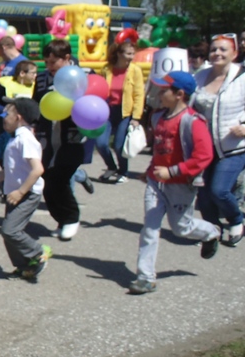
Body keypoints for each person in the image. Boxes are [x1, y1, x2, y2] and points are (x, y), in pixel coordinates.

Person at [129, 72, 221, 295]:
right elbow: (161, 150)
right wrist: (150, 170)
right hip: (156, 183)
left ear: (179, 94)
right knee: (149, 228)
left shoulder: (193, 121)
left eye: (164, 90)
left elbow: (203, 156)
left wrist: (172, 172)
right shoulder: (158, 117)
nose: (159, 94)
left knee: (181, 228)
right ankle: (145, 277)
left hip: (180, 184)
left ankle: (212, 232)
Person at [0, 97, 51, 282]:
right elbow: (11, 170)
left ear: (19, 117)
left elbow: (38, 170)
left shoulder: (26, 139)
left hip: (27, 193)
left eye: (7, 114)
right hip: (14, 192)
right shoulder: (14, 139)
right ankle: (24, 267)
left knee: (10, 231)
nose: (3, 117)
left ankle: (39, 252)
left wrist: (21, 192)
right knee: (8, 234)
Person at [192, 33, 245, 245]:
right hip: (205, 146)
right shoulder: (200, 76)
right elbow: (189, 105)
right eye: (214, 49)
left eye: (223, 49)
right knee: (204, 197)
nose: (217, 53)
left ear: (234, 53)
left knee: (219, 190)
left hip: (234, 146)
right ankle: (213, 231)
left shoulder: (242, 76)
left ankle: (236, 219)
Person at [32, 39, 86, 241]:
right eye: (46, 62)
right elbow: (37, 103)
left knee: (61, 180)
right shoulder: (44, 78)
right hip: (48, 137)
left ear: (66, 58)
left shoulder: (83, 76)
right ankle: (62, 219)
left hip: (72, 138)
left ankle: (72, 218)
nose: (48, 67)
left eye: (53, 62)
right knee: (47, 180)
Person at [96, 37, 145, 184]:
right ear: (119, 54)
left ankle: (123, 171)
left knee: (119, 145)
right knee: (101, 143)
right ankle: (111, 167)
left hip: (125, 112)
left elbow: (138, 94)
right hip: (107, 111)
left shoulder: (135, 70)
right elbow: (98, 87)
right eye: (128, 54)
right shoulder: (106, 69)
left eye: (132, 54)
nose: (131, 57)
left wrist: (136, 117)